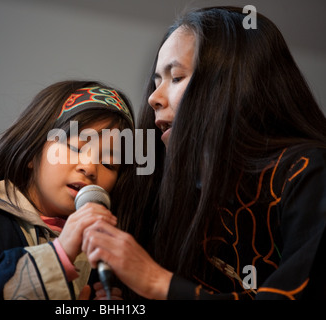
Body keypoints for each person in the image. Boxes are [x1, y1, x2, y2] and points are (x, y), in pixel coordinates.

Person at [82, 6, 326, 299]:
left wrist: (156, 281)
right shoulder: (156, 183)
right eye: (157, 80)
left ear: (234, 83)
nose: (153, 98)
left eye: (176, 78)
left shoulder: (307, 172)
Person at [0, 80, 135, 299]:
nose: (90, 168)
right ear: (32, 152)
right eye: (75, 148)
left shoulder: (96, 250)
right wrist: (59, 255)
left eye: (109, 163)